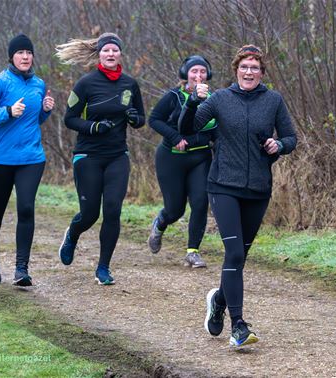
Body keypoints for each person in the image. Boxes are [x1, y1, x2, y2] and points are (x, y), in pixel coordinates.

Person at [178, 45, 297, 347]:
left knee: (239, 258)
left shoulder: (273, 100)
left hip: (258, 189)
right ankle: (239, 325)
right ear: (236, 70)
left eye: (254, 67)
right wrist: (192, 101)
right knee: (233, 254)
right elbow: (187, 127)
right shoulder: (219, 99)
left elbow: (290, 138)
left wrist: (278, 145)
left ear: (262, 72)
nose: (249, 72)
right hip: (223, 186)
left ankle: (218, 300)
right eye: (244, 67)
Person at [55, 32, 146, 285]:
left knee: (113, 210)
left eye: (114, 51)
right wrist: (94, 128)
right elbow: (69, 119)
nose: (110, 54)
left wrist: (134, 119)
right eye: (106, 50)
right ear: (100, 54)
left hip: (117, 155)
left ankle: (103, 268)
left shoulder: (130, 84)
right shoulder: (86, 83)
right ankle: (73, 234)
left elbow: (141, 119)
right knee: (90, 214)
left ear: (120, 54)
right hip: (88, 156)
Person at [0, 33, 55, 286]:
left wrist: (45, 111)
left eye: (29, 52)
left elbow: (34, 120)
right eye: (20, 52)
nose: (25, 56)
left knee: (26, 208)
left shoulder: (38, 84)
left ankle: (21, 269)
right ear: (12, 56)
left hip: (31, 157)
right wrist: (7, 111)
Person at [147, 55, 216, 268]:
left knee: (200, 202)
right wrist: (175, 138)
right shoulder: (173, 97)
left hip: (201, 158)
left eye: (202, 72)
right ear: (185, 74)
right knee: (175, 210)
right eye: (194, 71)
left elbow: (217, 129)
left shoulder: (214, 98)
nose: (198, 75)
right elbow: (154, 120)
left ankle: (192, 251)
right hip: (171, 158)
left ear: (208, 75)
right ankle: (160, 223)